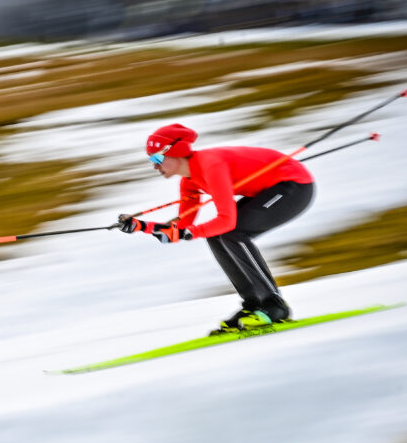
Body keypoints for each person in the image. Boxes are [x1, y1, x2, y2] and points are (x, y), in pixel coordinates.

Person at [119, 123, 315, 333]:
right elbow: (182, 227)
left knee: (232, 233)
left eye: (157, 158)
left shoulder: (211, 165)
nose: (155, 166)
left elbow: (225, 221)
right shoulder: (189, 181)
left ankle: (274, 306)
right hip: (269, 190)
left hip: (294, 186)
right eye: (151, 160)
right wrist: (140, 226)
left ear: (175, 153)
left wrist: (188, 233)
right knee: (216, 236)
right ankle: (253, 305)